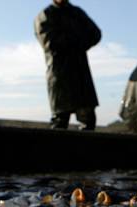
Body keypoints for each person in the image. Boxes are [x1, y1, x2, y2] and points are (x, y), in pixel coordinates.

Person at [35, 0, 102, 131]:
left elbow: (95, 34)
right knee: (60, 120)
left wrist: (77, 43)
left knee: (88, 120)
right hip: (59, 77)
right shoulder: (45, 15)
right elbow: (50, 43)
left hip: (81, 75)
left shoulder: (77, 13)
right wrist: (76, 40)